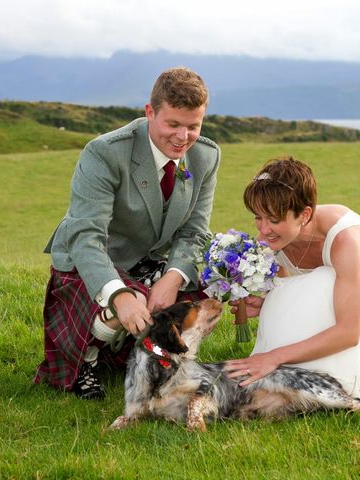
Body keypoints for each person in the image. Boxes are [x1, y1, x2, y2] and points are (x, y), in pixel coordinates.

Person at [33, 67, 220, 400]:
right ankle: (86, 360)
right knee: (128, 298)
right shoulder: (104, 152)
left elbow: (194, 231)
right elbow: (86, 236)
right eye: (173, 124)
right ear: (150, 112)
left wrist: (173, 277)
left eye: (193, 126)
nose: (183, 137)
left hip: (147, 262)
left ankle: (153, 359)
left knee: (202, 297)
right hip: (91, 259)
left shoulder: (205, 156)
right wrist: (119, 296)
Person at [226, 157, 360, 411]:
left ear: (305, 214)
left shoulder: (344, 239)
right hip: (334, 297)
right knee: (314, 287)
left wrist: (274, 357)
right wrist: (267, 304)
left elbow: (349, 331)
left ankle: (344, 386)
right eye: (258, 217)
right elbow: (286, 285)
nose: (263, 231)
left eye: (274, 220)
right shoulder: (278, 239)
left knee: (326, 277)